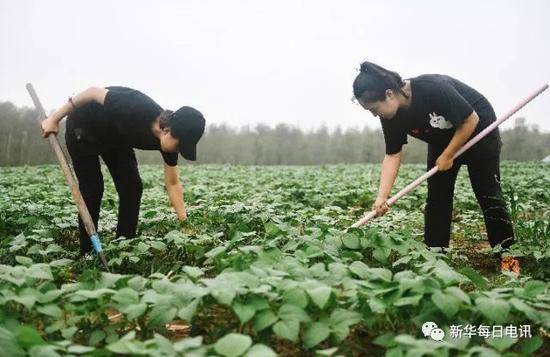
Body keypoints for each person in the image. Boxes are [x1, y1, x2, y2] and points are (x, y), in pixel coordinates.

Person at [352, 61, 519, 274]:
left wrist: (449, 155)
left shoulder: (432, 88)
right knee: (437, 199)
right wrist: (381, 197)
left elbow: (471, 120)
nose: (375, 115)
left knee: (488, 195)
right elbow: (393, 154)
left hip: (479, 131)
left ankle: (508, 261)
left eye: (374, 109)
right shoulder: (391, 116)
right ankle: (434, 259)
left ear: (389, 94)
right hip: (441, 139)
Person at [41, 86, 205, 256]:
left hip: (115, 137)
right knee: (93, 189)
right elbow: (92, 92)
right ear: (166, 130)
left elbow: (173, 183)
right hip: (84, 126)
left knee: (132, 187)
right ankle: (87, 252)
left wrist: (183, 221)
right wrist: (54, 118)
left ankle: (124, 246)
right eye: (179, 146)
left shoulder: (167, 144)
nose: (177, 151)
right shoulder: (134, 108)